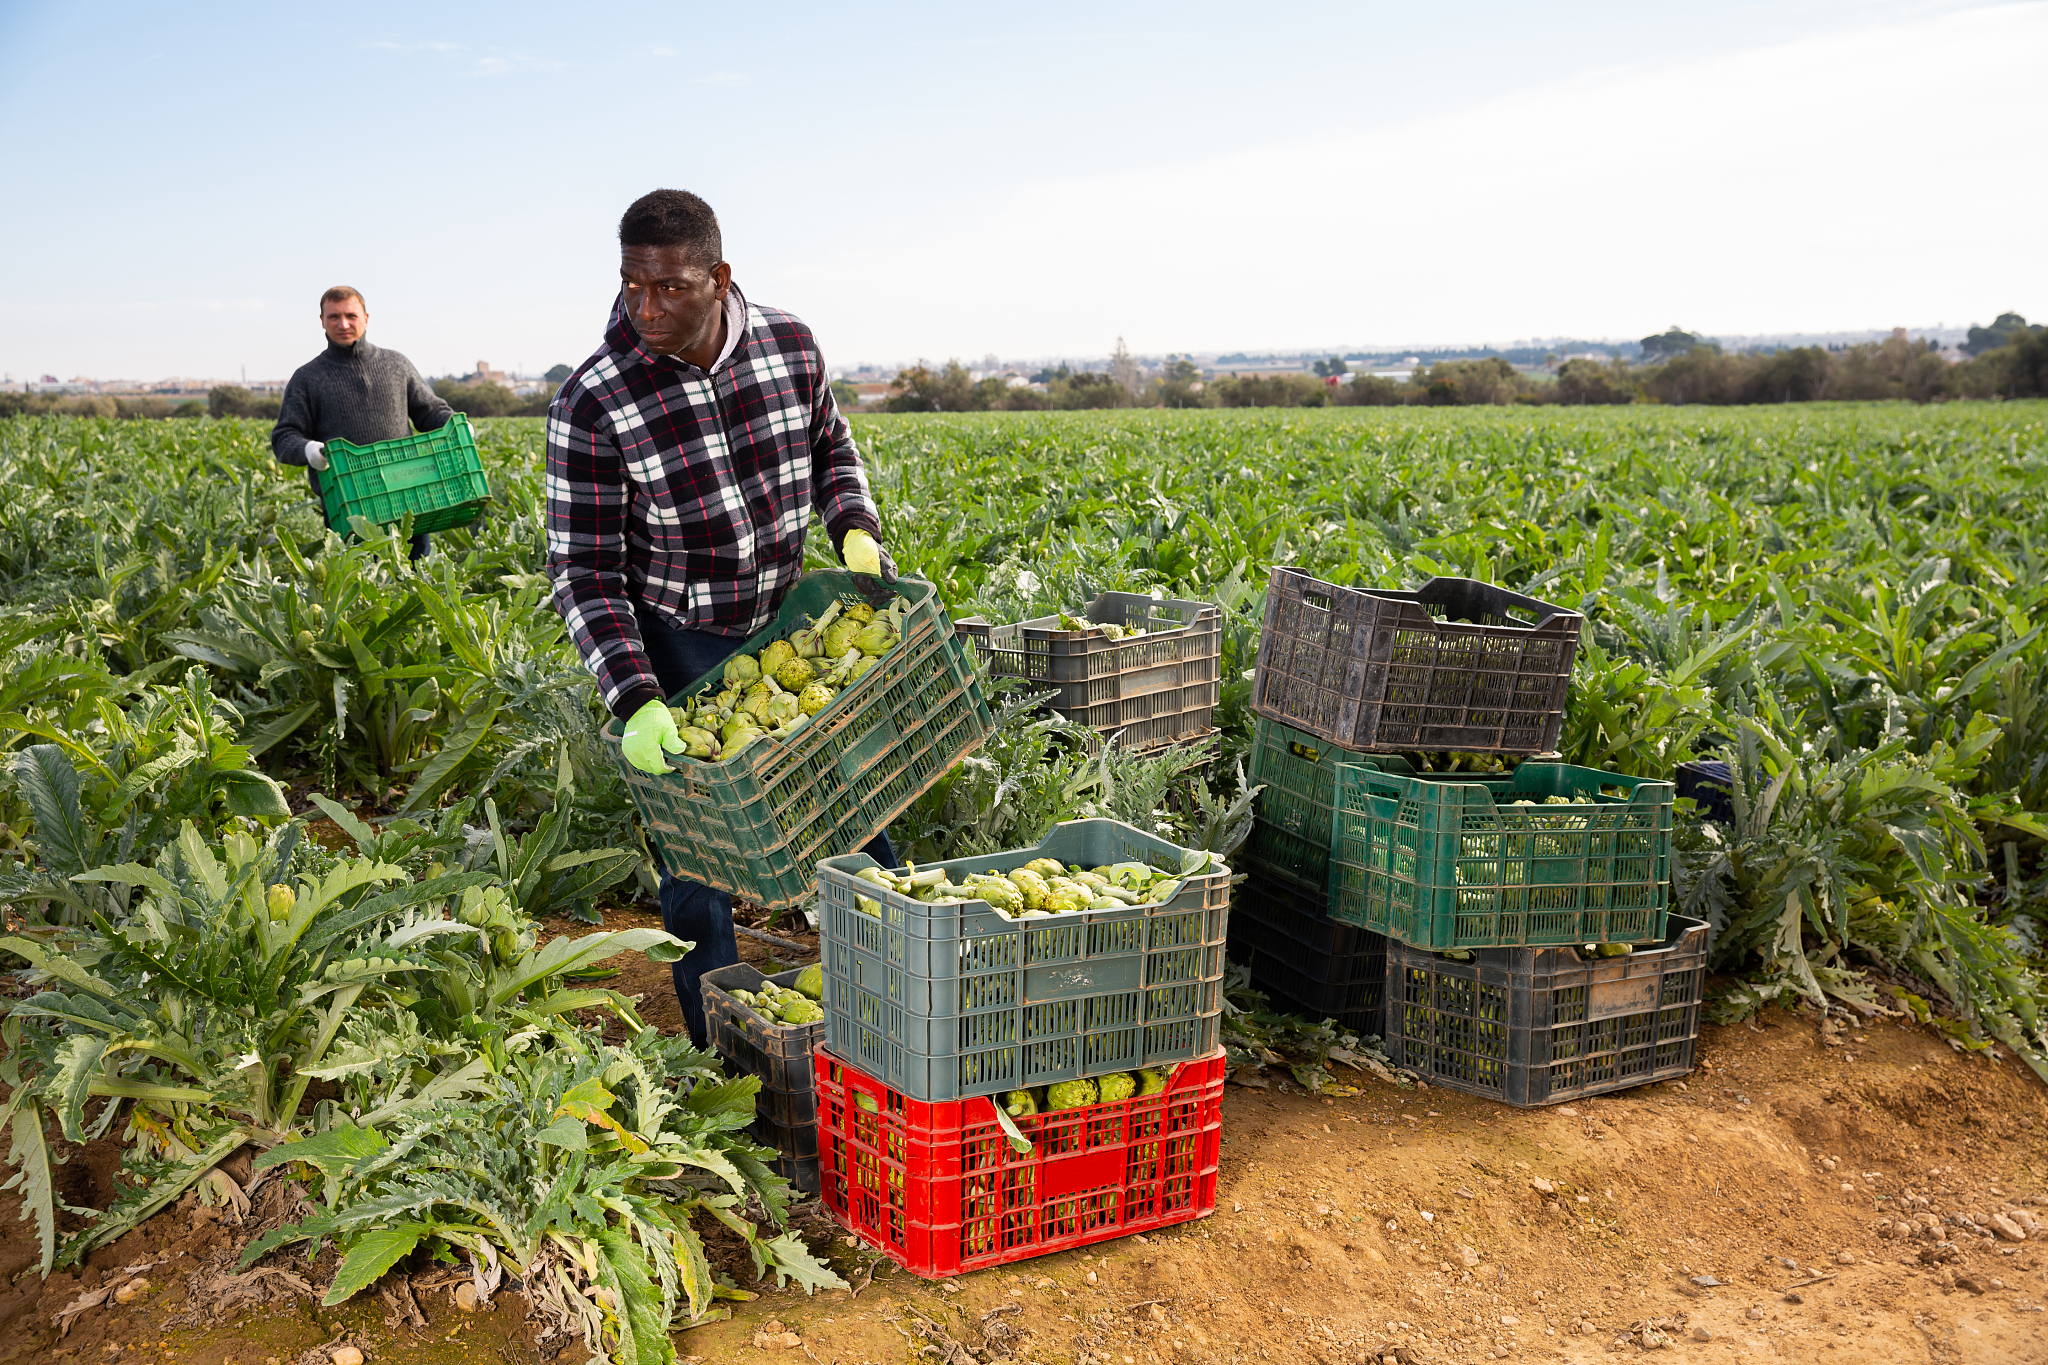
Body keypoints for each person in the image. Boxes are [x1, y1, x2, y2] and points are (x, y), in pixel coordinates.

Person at [544, 188, 897, 1048]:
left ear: (719, 278)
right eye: (632, 286)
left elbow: (830, 446)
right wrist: (635, 696)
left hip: (791, 624)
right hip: (680, 639)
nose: (646, 308)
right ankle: (725, 1047)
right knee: (695, 853)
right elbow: (585, 570)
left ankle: (901, 987)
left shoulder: (788, 344)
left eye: (668, 288)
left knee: (859, 792)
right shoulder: (596, 400)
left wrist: (853, 526)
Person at [271, 286, 454, 560]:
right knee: (360, 586)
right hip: (347, 503)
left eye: (351, 315)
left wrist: (454, 425)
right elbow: (284, 436)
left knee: (417, 580)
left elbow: (429, 411)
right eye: (333, 317)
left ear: (366, 318)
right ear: (321, 320)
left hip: (407, 494)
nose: (343, 324)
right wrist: (308, 449)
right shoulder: (307, 378)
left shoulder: (397, 365)